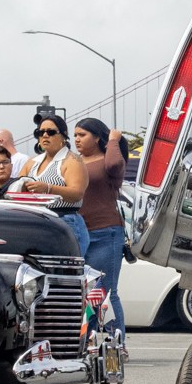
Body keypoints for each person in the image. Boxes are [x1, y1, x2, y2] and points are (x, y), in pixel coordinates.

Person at [74, 117, 128, 347]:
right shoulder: (74, 162)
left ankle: (117, 343)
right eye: (74, 135)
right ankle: (89, 340)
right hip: (79, 233)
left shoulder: (108, 160)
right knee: (85, 293)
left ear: (97, 137)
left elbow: (115, 165)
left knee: (105, 291)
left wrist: (114, 140)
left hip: (106, 232)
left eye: (82, 135)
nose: (76, 139)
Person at [19, 110, 88, 249]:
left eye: (50, 132)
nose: (45, 135)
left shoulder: (72, 161)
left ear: (63, 136)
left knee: (65, 269)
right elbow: (16, 186)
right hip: (36, 222)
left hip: (64, 221)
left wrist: (48, 188)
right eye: (40, 132)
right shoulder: (32, 162)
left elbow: (77, 194)